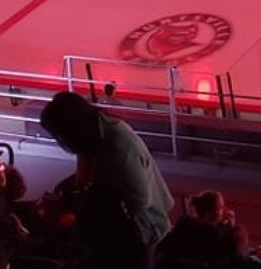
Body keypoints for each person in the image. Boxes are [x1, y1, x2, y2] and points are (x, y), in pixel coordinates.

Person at [39, 89, 173, 269]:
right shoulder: (92, 139)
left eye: (60, 136)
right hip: (114, 236)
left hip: (134, 236)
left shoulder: (116, 143)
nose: (61, 142)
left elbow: (139, 199)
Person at [159, 191, 249, 268]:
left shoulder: (183, 229)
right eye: (221, 207)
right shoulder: (217, 237)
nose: (226, 210)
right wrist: (231, 230)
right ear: (213, 213)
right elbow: (237, 256)